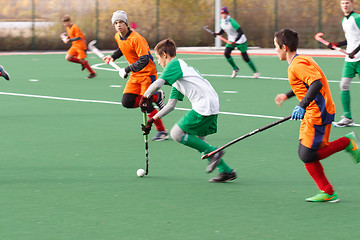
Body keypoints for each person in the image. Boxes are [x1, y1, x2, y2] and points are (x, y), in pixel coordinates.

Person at [274, 28, 360, 202]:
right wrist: (288, 95)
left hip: (318, 112)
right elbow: (305, 83)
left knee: (307, 154)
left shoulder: (297, 64)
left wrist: (301, 105)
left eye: (275, 46)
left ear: (283, 47)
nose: (275, 50)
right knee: (306, 152)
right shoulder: (300, 60)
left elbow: (315, 84)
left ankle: (347, 142)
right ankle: (327, 191)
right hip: (313, 111)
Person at [139, 38, 237, 182]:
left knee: (176, 134)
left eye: (158, 58)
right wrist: (152, 120)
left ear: (165, 54)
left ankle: (215, 154)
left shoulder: (174, 64)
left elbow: (158, 83)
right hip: (210, 103)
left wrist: (145, 96)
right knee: (198, 142)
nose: (158, 62)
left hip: (204, 104)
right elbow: (171, 105)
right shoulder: (178, 74)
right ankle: (227, 171)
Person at [102, 10, 169, 141]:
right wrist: (113, 56)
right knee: (127, 102)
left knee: (146, 105)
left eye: (121, 22)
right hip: (135, 74)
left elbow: (143, 60)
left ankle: (162, 131)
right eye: (116, 23)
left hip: (147, 73)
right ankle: (156, 96)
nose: (118, 25)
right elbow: (122, 48)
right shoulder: (118, 36)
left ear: (126, 23)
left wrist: (126, 69)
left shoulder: (137, 38)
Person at [327, 0, 360, 127]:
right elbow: (351, 38)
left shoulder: (357, 18)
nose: (345, 5)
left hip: (359, 58)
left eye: (347, 2)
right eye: (342, 3)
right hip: (350, 61)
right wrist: (337, 44)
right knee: (344, 86)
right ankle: (347, 117)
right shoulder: (344, 21)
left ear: (352, 4)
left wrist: (355, 51)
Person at [213, 7, 259, 79]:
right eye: (222, 14)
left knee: (245, 58)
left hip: (240, 40)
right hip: (231, 40)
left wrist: (235, 41)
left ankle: (255, 72)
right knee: (226, 53)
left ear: (227, 14)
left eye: (224, 13)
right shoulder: (221, 22)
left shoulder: (232, 22)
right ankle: (235, 68)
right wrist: (217, 34)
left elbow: (240, 32)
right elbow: (223, 30)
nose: (223, 15)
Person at [61, 15, 96, 79]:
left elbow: (78, 37)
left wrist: (69, 40)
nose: (65, 24)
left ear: (69, 21)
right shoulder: (68, 28)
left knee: (82, 60)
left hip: (80, 46)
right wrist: (67, 37)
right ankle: (84, 63)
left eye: (65, 22)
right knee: (68, 58)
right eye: (64, 23)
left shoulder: (75, 27)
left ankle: (92, 73)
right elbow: (71, 35)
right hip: (74, 45)